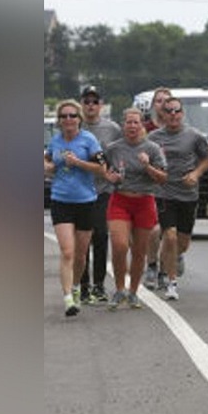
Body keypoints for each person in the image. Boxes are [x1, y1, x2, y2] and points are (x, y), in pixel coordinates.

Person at [146, 96, 208, 301]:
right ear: (162, 115)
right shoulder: (153, 138)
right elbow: (144, 160)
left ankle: (168, 260)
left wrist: (195, 174)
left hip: (188, 194)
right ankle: (171, 282)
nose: (173, 114)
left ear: (182, 113)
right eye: (169, 111)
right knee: (170, 236)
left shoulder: (194, 136)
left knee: (182, 243)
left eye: (177, 111)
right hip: (164, 193)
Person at [44, 100, 106, 317]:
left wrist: (79, 162)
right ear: (59, 121)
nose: (68, 120)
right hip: (61, 200)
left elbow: (101, 169)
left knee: (80, 255)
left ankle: (78, 287)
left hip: (86, 201)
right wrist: (48, 166)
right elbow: (48, 162)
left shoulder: (88, 140)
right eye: (64, 117)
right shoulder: (55, 141)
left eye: (72, 116)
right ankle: (68, 297)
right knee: (67, 251)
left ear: (79, 119)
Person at [103, 108, 168, 310]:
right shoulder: (113, 148)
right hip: (120, 200)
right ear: (123, 125)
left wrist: (148, 166)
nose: (132, 126)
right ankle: (120, 289)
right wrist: (109, 177)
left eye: (136, 122)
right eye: (128, 122)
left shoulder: (152, 148)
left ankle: (133, 292)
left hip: (144, 201)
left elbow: (163, 178)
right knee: (120, 245)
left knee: (140, 251)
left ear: (142, 125)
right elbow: (103, 169)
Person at [77, 85, 122, 305]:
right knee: (82, 240)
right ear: (82, 104)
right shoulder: (73, 125)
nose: (91, 105)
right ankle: (83, 287)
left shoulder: (112, 129)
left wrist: (116, 173)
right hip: (79, 190)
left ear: (101, 105)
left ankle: (99, 285)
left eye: (95, 102)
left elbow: (121, 154)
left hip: (103, 190)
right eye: (87, 102)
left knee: (101, 235)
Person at [142, 86, 173, 290]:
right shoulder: (145, 129)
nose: (162, 104)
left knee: (172, 235)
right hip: (150, 187)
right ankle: (152, 266)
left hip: (173, 188)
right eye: (159, 100)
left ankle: (168, 264)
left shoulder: (178, 126)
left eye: (166, 101)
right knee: (154, 230)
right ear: (153, 105)